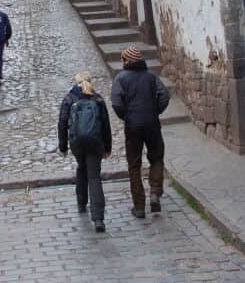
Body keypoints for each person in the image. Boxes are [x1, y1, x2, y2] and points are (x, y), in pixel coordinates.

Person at [111, 46, 170, 218]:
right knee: (157, 157)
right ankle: (155, 192)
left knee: (134, 165)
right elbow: (164, 96)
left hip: (133, 126)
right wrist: (154, 111)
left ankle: (139, 207)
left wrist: (127, 116)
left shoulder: (121, 78)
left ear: (126, 61)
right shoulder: (151, 77)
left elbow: (116, 103)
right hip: (152, 123)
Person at [58, 72, 113, 233]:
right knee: (94, 176)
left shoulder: (69, 98)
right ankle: (98, 219)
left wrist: (63, 146)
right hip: (95, 142)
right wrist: (107, 147)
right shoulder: (97, 99)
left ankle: (81, 203)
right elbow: (105, 125)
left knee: (82, 167)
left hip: (77, 143)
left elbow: (62, 123)